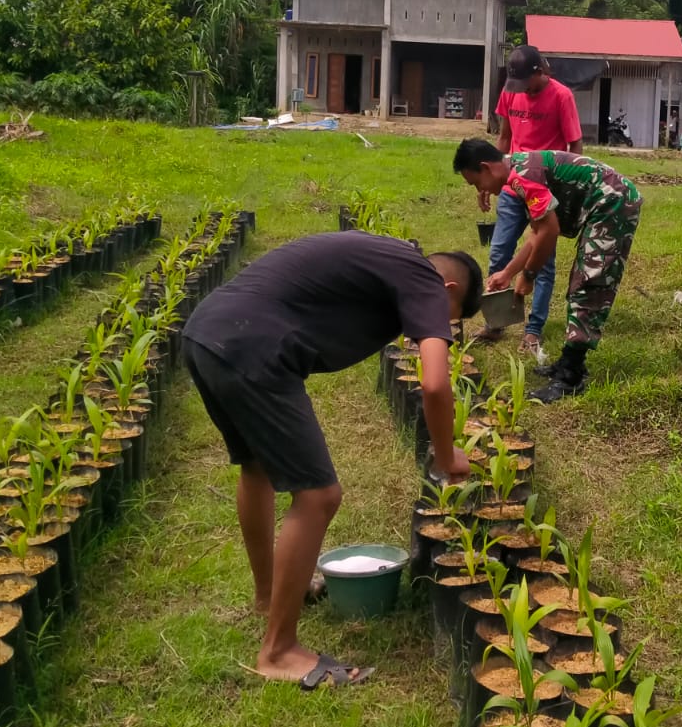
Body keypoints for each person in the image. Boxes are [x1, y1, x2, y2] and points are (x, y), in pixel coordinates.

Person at [181, 231, 481, 688]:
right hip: (254, 347)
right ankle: (278, 651)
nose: (430, 328)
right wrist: (446, 457)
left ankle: (271, 597)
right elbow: (436, 384)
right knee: (319, 495)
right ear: (449, 292)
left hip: (208, 332)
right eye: (446, 320)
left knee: (256, 466)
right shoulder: (424, 278)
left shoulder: (387, 256)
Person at [454, 138, 641, 402]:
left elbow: (549, 232)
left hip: (613, 203)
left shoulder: (522, 177)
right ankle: (568, 361)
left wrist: (528, 276)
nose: (482, 190)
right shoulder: (518, 173)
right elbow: (537, 234)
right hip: (605, 202)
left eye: (476, 183)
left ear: (486, 167)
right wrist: (508, 273)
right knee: (582, 281)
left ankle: (571, 376)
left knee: (589, 282)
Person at [480, 44, 583, 357]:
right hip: (512, 184)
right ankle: (496, 323)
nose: (522, 88)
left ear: (541, 71)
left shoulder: (562, 96)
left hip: (545, 188)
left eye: (527, 81)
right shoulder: (511, 91)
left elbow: (575, 145)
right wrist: (489, 176)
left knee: (543, 262)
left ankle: (533, 330)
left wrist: (567, 189)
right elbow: (504, 137)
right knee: (499, 252)